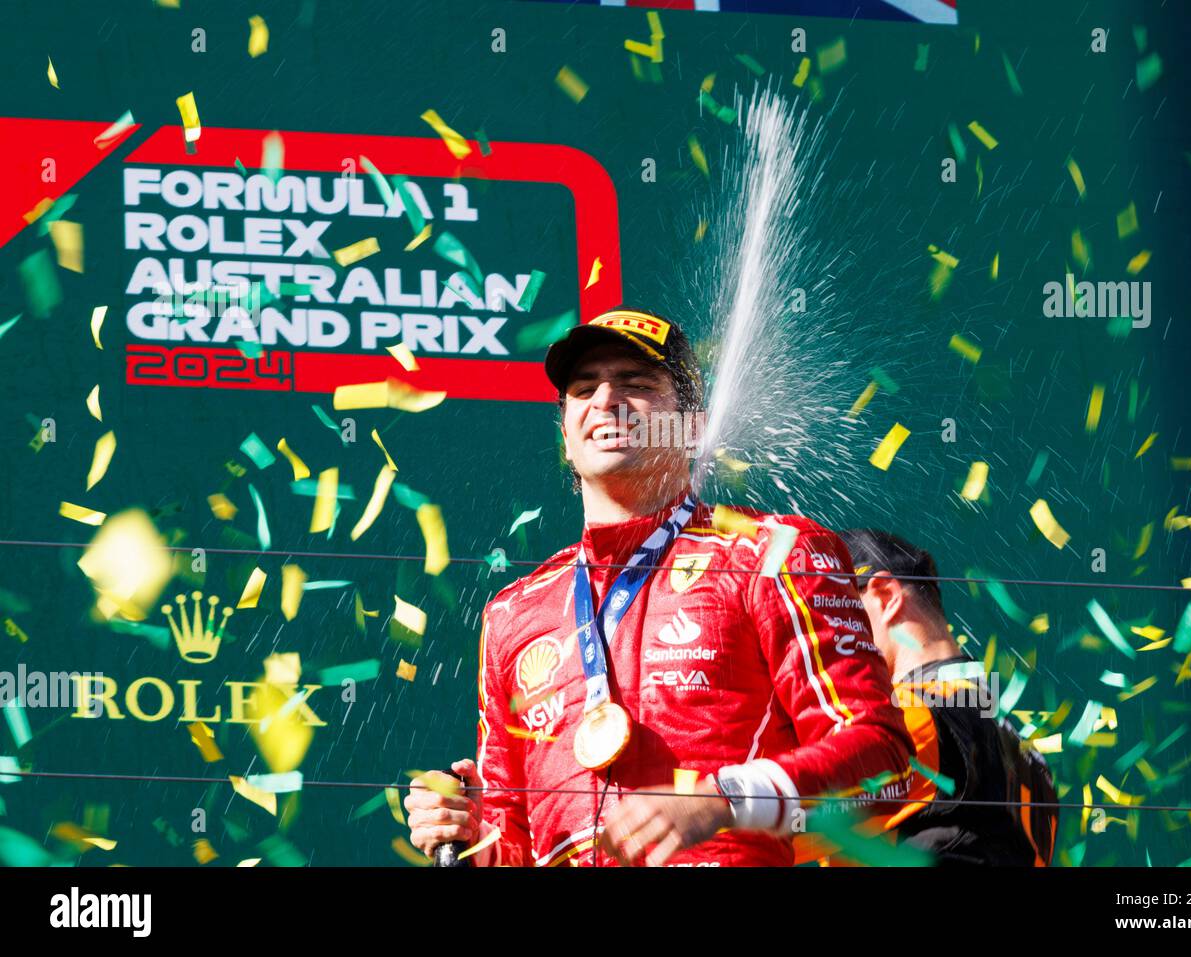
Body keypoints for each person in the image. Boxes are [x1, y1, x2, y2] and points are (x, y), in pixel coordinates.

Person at [405, 306, 913, 866]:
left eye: (636, 383)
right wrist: (470, 834)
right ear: (566, 438)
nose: (604, 401)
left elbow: (882, 765)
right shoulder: (514, 610)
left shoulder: (771, 552)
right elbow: (516, 842)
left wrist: (724, 801)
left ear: (693, 426)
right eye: (583, 389)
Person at [817, 528, 1058, 866]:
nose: (811, 639)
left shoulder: (907, 715)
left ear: (885, 597)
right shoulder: (1027, 756)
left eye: (827, 610)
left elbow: (771, 816)